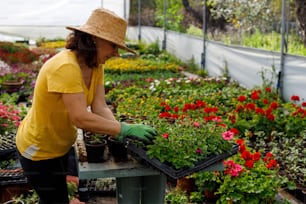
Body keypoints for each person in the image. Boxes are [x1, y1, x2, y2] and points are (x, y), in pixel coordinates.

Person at [15, 8, 157, 204]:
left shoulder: (95, 65)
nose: (116, 53)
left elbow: (100, 106)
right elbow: (80, 117)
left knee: (54, 198)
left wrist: (120, 133)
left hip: (60, 145)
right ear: (93, 39)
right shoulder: (66, 66)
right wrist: (123, 128)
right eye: (113, 46)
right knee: (55, 200)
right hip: (38, 149)